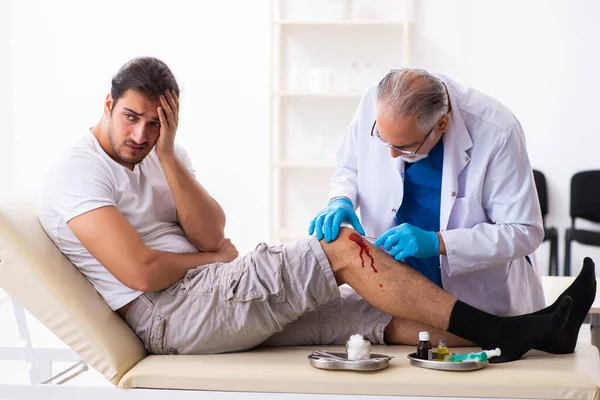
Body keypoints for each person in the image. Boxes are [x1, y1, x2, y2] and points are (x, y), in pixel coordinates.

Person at [39, 57, 594, 362]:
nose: (142, 133)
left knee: (377, 319)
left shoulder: (493, 130)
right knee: (341, 250)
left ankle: (529, 333)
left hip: (208, 291)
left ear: (443, 124)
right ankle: (518, 334)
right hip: (171, 314)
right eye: (132, 118)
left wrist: (168, 157)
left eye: (157, 123)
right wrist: (214, 258)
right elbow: (140, 271)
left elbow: (213, 230)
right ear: (108, 105)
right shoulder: (78, 171)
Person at [310, 68, 546, 316]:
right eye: (383, 139)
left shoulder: (497, 130)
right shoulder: (377, 101)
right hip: (393, 286)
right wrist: (340, 199)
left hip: (472, 293)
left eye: (404, 147)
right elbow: (350, 165)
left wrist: (438, 242)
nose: (390, 154)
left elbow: (523, 231)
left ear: (441, 124)